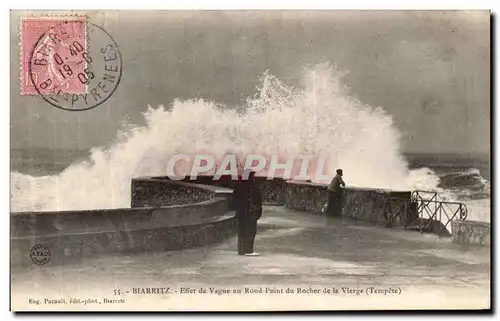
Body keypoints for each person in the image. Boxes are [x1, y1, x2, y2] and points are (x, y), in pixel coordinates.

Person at [235, 169, 262, 256]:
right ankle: (248, 250)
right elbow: (257, 199)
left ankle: (242, 250)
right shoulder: (252, 186)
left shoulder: (239, 185)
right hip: (249, 212)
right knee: (249, 231)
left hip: (243, 212)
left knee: (243, 231)